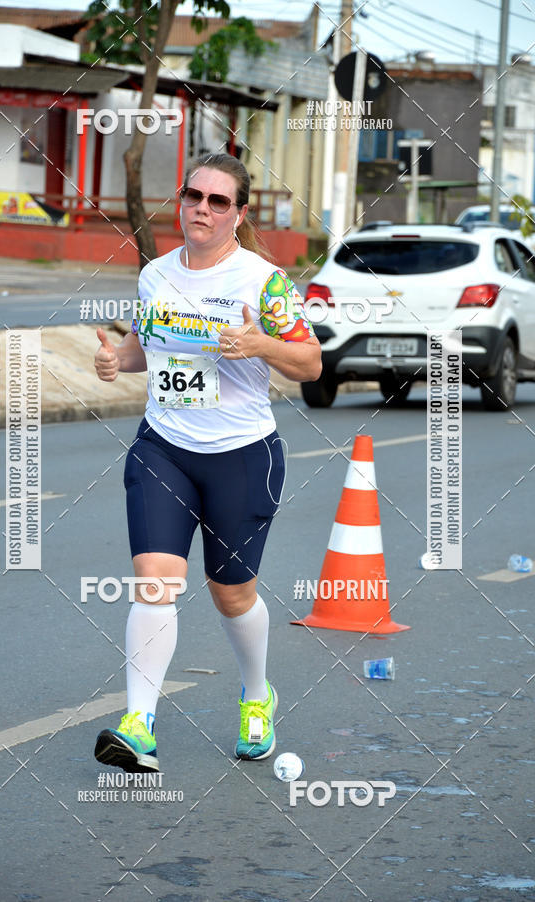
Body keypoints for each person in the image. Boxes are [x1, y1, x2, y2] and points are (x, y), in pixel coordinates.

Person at [93, 153, 321, 774]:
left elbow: (310, 365)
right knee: (155, 581)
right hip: (164, 447)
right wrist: (119, 362)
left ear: (238, 214)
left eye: (219, 202)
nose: (202, 208)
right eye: (194, 196)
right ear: (181, 200)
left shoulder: (263, 282)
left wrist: (261, 345)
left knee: (231, 593)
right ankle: (139, 724)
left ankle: (256, 695)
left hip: (242, 455)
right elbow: (146, 349)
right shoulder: (155, 275)